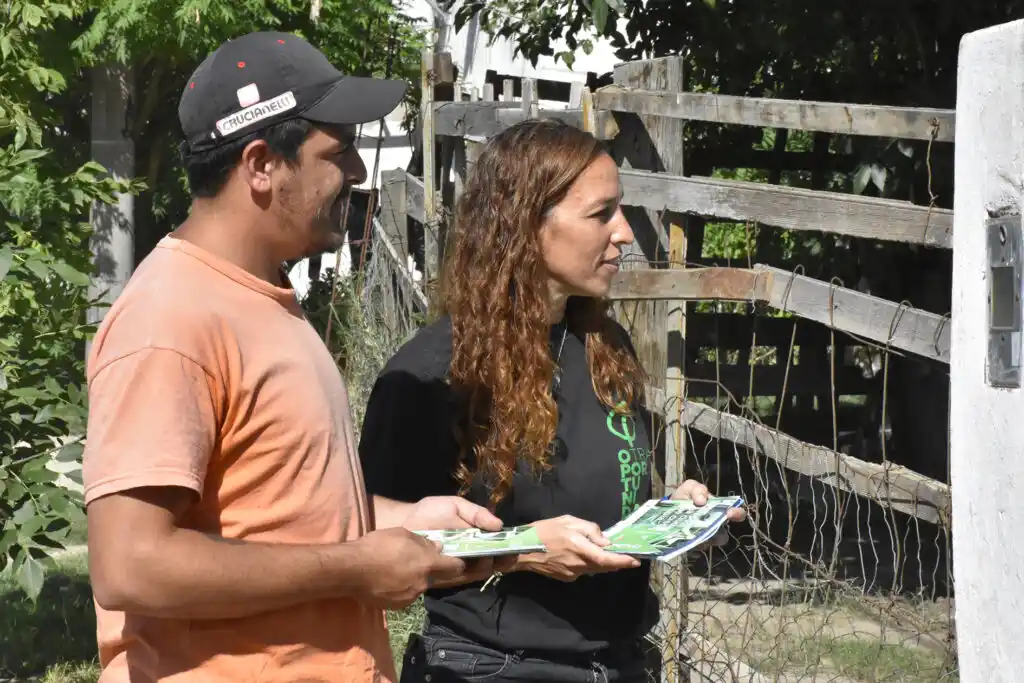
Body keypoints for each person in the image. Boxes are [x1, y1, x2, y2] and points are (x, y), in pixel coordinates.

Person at [82, 31, 504, 683]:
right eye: (338, 152)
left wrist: (402, 520)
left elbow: (274, 506)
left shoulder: (262, 298)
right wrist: (359, 565)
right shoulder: (171, 317)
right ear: (260, 164)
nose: (360, 173)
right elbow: (130, 562)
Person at [358, 119, 747, 682]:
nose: (625, 234)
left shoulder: (602, 346)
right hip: (495, 668)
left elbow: (593, 493)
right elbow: (375, 540)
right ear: (525, 227)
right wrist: (523, 553)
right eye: (600, 214)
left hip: (621, 662)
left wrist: (670, 514)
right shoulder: (431, 376)